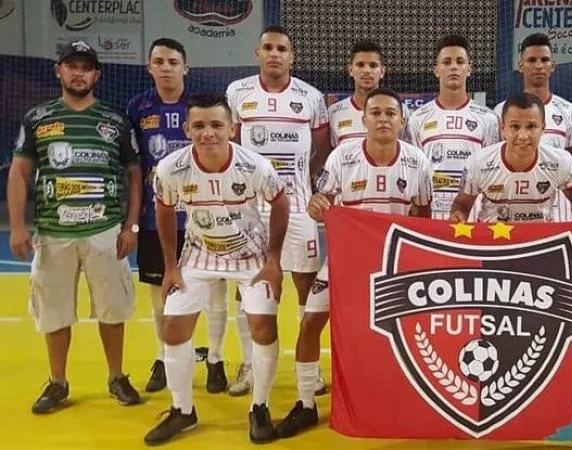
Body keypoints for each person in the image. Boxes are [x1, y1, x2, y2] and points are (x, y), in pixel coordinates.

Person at [274, 87, 432, 439]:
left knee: (401, 336)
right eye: (375, 113)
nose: (382, 119)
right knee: (310, 323)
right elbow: (322, 199)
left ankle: (403, 399)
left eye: (390, 113)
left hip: (395, 268)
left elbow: (422, 216)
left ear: (402, 120)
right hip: (345, 264)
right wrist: (316, 204)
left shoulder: (417, 161)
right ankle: (305, 404)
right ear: (364, 119)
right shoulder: (342, 157)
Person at [144, 93, 288, 445]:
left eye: (216, 125)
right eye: (199, 126)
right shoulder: (170, 168)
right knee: (174, 329)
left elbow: (280, 202)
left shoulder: (255, 166)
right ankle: (183, 411)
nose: (208, 133)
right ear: (186, 128)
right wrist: (170, 267)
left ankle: (260, 407)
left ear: (232, 129)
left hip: (250, 255)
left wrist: (272, 259)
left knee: (263, 326)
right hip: (197, 254)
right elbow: (164, 209)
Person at [8, 40, 142, 413]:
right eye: (72, 66)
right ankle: (57, 382)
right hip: (53, 234)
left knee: (112, 310)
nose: (78, 73)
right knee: (54, 312)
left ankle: (116, 377)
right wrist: (18, 227)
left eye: (86, 67)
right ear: (59, 71)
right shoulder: (37, 118)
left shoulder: (115, 121)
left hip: (105, 231)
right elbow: (20, 174)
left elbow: (135, 175)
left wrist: (130, 226)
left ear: (97, 74)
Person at [226, 25, 330, 397]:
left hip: (300, 206)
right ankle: (249, 366)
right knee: (247, 287)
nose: (274, 54)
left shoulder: (311, 97)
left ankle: (310, 368)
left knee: (306, 285)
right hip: (251, 209)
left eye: (281, 49)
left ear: (291, 55)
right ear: (257, 53)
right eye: (267, 48)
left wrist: (298, 181)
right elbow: (232, 145)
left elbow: (319, 150)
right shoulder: (237, 92)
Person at [127, 37, 228, 394]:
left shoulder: (201, 107)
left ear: (185, 67)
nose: (166, 67)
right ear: (150, 67)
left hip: (206, 215)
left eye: (173, 61)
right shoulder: (138, 107)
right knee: (162, 292)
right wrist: (133, 221)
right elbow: (135, 167)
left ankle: (215, 358)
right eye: (159, 61)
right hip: (159, 218)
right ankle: (164, 356)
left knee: (216, 289)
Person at [451, 92, 572, 222]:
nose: (523, 136)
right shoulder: (479, 162)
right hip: (494, 246)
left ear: (543, 128)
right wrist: (458, 215)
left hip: (540, 246)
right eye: (515, 127)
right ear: (503, 128)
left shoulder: (560, 161)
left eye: (531, 127)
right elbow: (463, 203)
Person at [408, 34, 499, 220]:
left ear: (469, 69)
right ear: (436, 70)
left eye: (460, 61)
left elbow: (492, 172)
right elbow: (413, 170)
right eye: (447, 62)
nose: (453, 67)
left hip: (472, 218)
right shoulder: (417, 118)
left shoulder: (488, 118)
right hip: (431, 216)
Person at [493, 33, 572, 221]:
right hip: (513, 202)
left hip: (556, 206)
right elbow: (495, 159)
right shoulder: (501, 110)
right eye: (532, 60)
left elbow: (571, 158)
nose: (539, 65)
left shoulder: (569, 110)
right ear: (520, 66)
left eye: (544, 60)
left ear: (552, 66)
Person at [328, 39, 410, 146]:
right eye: (360, 65)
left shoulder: (401, 110)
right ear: (350, 70)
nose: (367, 70)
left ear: (382, 71)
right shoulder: (334, 113)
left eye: (373, 65)